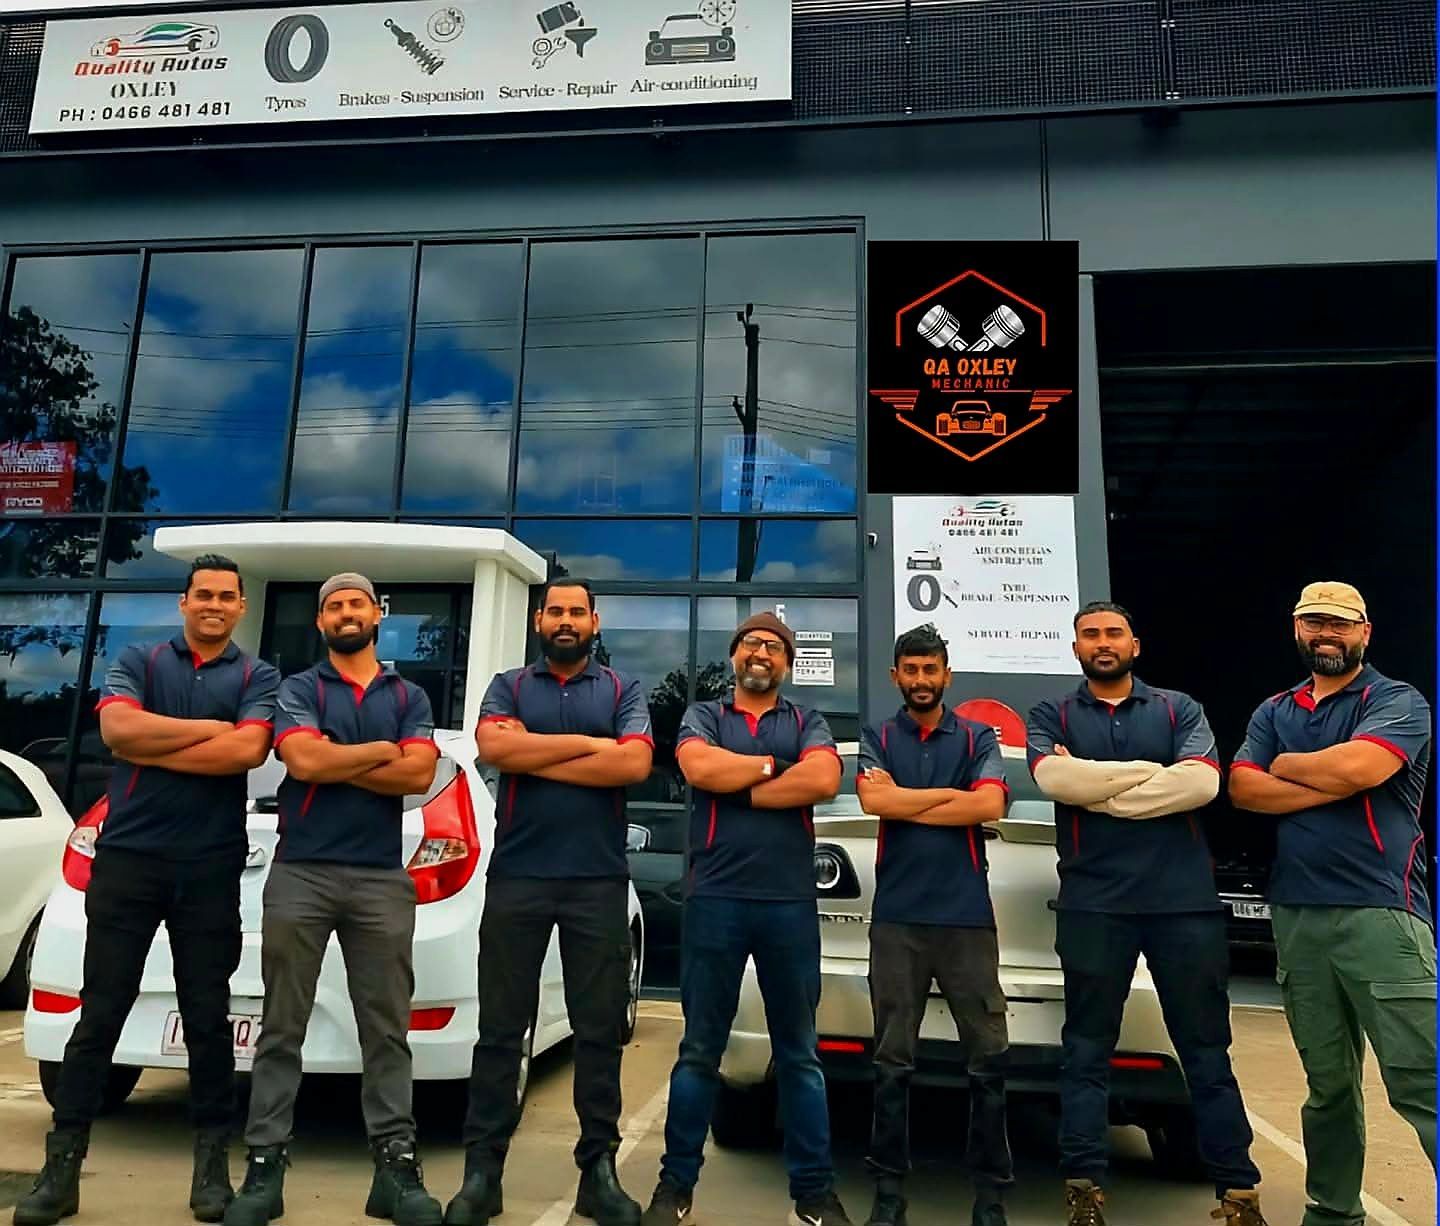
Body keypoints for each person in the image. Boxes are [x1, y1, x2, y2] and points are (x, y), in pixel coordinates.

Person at [15, 555, 279, 1226]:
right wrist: (209, 734)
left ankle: (212, 1167)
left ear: (241, 607)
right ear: (185, 603)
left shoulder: (257, 675)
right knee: (99, 1014)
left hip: (210, 864)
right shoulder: (138, 658)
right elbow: (116, 730)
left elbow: (247, 752)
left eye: (227, 596)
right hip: (128, 861)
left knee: (208, 1020)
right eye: (204, 595)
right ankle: (61, 1168)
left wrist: (156, 743)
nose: (215, 604)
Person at [1026, 602, 1267, 1226]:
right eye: (1089, 635)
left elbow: (1203, 785)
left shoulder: (1178, 708)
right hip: (1093, 904)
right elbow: (1057, 781)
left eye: (1113, 633)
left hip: (1181, 906)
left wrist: (1101, 789)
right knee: (1085, 1050)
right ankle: (1084, 1188)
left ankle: (1238, 1193)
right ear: (1074, 647)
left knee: (1207, 1052)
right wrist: (1150, 776)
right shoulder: (1050, 713)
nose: (1102, 643)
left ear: (1136, 643)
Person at [224, 573, 443, 1226]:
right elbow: (306, 762)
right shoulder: (298, 689)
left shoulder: (409, 693)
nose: (346, 613)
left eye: (356, 603)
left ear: (378, 614)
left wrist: (341, 754)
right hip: (302, 873)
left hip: (379, 876)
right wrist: (382, 752)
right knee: (281, 1028)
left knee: (387, 1030)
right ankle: (265, 1168)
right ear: (320, 622)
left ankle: (396, 1170)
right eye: (333, 606)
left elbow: (421, 772)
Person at [447, 578, 655, 1226]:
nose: (566, 621)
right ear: (540, 620)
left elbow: (634, 765)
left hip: (597, 881)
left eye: (577, 612)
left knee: (598, 1034)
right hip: (519, 878)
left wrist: (536, 753)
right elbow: (495, 747)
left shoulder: (623, 690)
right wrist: (592, 749)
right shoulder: (509, 686)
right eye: (555, 611)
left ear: (594, 621)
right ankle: (483, 1174)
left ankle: (598, 1173)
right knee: (501, 1032)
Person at [1229, 582, 1435, 1226]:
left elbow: (1360, 771)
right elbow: (1241, 788)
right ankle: (1333, 1213)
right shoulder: (1274, 709)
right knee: (1328, 1090)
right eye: (1315, 622)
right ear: (1296, 628)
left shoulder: (1396, 700)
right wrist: (1326, 777)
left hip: (1383, 913)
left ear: (1365, 632)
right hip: (1298, 913)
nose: (1328, 633)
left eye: (1341, 624)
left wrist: (1287, 766)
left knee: (1422, 1082)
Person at [642, 611, 852, 1226]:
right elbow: (699, 769)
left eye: (774, 647)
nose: (762, 653)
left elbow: (826, 777)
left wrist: (746, 781)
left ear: (786, 663)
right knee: (699, 1051)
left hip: (788, 903)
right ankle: (675, 1187)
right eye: (752, 643)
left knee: (800, 1056)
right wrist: (772, 769)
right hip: (716, 899)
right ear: (735, 655)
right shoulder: (703, 715)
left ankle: (814, 1194)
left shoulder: (806, 720)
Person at [856, 624, 1012, 1226]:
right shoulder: (878, 735)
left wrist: (911, 798)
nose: (921, 680)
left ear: (947, 674)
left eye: (931, 669)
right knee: (892, 1060)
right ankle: (889, 1194)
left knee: (989, 1059)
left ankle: (990, 1196)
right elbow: (875, 803)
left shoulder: (977, 736)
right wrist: (949, 799)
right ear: (896, 675)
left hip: (966, 920)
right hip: (897, 920)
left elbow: (990, 805)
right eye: (910, 670)